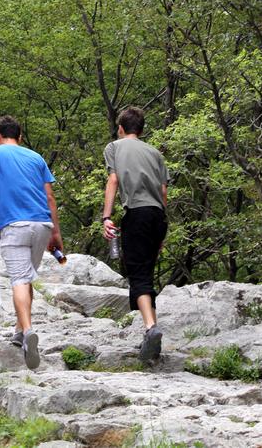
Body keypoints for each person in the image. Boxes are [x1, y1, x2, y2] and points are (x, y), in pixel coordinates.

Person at [0, 115, 63, 370]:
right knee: (27, 277)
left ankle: (27, 332)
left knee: (19, 279)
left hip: (14, 225)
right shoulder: (36, 157)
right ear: (20, 136)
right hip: (41, 225)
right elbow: (49, 196)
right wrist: (56, 233)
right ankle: (18, 330)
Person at [102, 106, 169, 362]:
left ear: (121, 128)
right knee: (147, 273)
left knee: (138, 274)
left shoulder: (115, 147)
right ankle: (151, 335)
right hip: (157, 217)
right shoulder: (155, 153)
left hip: (137, 214)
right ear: (141, 130)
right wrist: (162, 229)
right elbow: (163, 193)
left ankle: (151, 328)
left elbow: (113, 180)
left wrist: (107, 217)